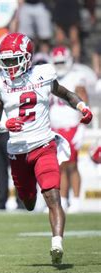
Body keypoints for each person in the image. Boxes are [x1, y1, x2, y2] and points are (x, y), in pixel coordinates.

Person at [0, 33, 93, 265]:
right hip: (17, 149)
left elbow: (65, 93)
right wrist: (6, 124)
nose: (9, 66)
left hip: (44, 144)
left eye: (13, 60)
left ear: (27, 58)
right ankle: (29, 198)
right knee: (27, 201)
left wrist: (82, 106)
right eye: (5, 61)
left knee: (52, 196)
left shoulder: (42, 75)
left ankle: (57, 243)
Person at [49, 46, 96, 213]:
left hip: (71, 126)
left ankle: (75, 200)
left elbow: (84, 104)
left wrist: (82, 128)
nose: (60, 65)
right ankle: (62, 200)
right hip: (54, 128)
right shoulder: (50, 78)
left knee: (71, 165)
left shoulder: (76, 77)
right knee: (58, 166)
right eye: (57, 62)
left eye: (62, 61)